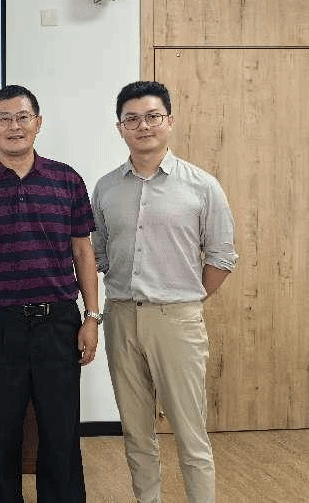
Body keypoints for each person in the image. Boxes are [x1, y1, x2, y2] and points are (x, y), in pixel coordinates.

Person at [0, 84, 99, 503]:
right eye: (4, 119)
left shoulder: (67, 179)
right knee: (1, 431)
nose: (14, 126)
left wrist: (92, 316)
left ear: (38, 123)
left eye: (22, 117)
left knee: (61, 431)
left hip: (58, 322)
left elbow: (82, 250)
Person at [91, 81, 238, 503]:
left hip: (177, 319)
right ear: (120, 128)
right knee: (136, 433)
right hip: (121, 318)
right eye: (132, 119)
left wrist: (186, 297)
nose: (143, 126)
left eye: (152, 117)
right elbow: (98, 251)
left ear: (169, 121)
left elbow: (222, 256)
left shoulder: (202, 185)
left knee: (191, 434)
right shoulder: (106, 187)